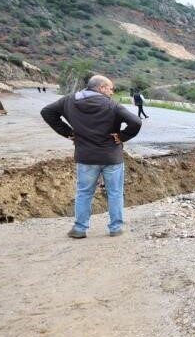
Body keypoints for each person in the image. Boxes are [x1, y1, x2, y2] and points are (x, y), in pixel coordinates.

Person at [40, 75, 141, 238]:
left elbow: (47, 112)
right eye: (110, 89)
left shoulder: (69, 100)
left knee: (84, 193)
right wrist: (122, 137)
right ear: (101, 88)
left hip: (86, 157)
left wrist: (68, 132)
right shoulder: (112, 105)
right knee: (115, 193)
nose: (112, 92)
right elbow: (136, 122)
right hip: (111, 157)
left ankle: (79, 229)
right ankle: (115, 228)